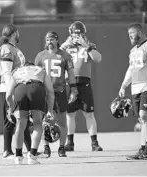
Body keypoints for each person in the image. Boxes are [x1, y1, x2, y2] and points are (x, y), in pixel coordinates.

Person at [118, 23, 147, 160]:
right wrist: (123, 85)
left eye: (132, 33)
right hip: (136, 87)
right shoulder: (133, 51)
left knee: (144, 115)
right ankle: (143, 148)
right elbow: (131, 70)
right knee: (141, 118)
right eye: (129, 34)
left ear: (139, 32)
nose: (130, 36)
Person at [60, 21, 103, 152]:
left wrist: (87, 46)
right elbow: (56, 57)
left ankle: (94, 142)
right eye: (75, 34)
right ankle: (70, 142)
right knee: (70, 114)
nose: (77, 37)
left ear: (84, 34)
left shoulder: (89, 45)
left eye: (79, 34)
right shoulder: (66, 47)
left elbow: (98, 59)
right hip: (70, 82)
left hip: (84, 82)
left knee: (89, 114)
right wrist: (64, 45)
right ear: (70, 34)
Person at [35, 31, 78, 157]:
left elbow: (70, 73)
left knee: (62, 121)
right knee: (44, 121)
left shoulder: (65, 55)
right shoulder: (40, 56)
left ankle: (61, 147)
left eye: (52, 39)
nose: (50, 42)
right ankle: (46, 147)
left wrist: (73, 88)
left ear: (57, 41)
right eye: (48, 40)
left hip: (59, 91)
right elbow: (36, 74)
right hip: (45, 92)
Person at [6, 61, 55, 164]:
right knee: (37, 124)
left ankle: (18, 156)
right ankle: (32, 156)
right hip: (36, 89)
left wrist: (11, 109)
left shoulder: (16, 71)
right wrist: (50, 111)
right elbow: (50, 92)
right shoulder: (41, 71)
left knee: (20, 125)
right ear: (33, 66)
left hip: (21, 89)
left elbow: (8, 96)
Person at [0, 24, 32, 159]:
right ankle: (7, 150)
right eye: (17, 32)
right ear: (13, 34)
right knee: (10, 119)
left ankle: (30, 149)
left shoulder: (13, 48)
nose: (19, 34)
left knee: (22, 118)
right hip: (9, 88)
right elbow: (7, 72)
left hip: (17, 87)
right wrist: (9, 91)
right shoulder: (6, 48)